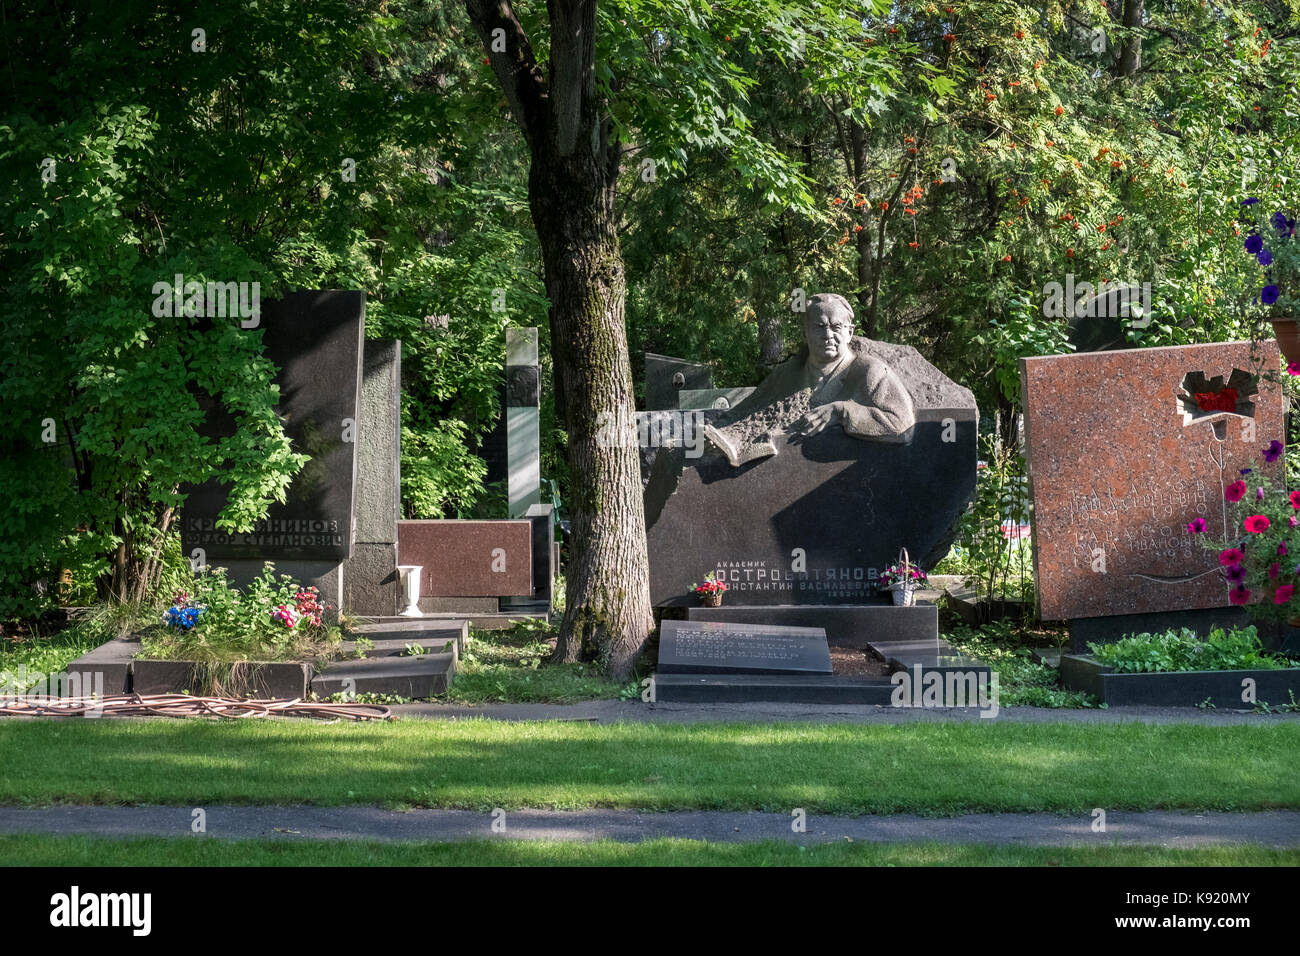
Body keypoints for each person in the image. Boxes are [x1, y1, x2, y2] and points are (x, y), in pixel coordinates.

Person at [722, 293, 916, 446]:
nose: (827, 335)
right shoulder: (788, 373)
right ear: (805, 332)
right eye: (819, 327)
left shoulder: (870, 372)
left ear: (850, 332)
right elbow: (743, 412)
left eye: (836, 327)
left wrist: (842, 411)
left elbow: (902, 427)